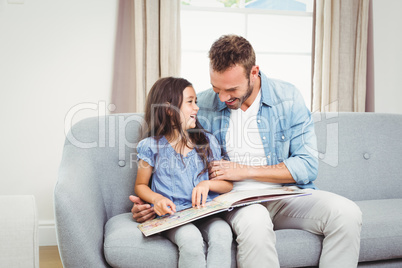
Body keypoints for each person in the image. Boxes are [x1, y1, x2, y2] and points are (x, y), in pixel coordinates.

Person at [131, 35, 362, 267]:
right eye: (216, 88)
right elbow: (172, 156)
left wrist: (243, 170)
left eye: (231, 89)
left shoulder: (288, 97)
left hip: (287, 195)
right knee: (255, 221)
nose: (222, 97)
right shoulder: (202, 105)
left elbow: (308, 166)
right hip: (233, 201)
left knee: (347, 213)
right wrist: (150, 202)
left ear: (254, 72)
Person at [134, 77, 233, 268]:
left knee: (222, 232)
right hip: (173, 217)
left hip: (206, 214)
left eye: (196, 102)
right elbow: (140, 185)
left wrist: (207, 184)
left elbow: (227, 184)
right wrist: (156, 200)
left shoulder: (207, 142)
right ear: (169, 109)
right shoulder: (151, 147)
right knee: (191, 239)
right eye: (190, 102)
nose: (196, 107)